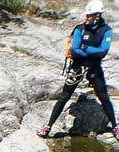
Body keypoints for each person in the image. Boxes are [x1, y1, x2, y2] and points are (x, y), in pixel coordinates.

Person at [38, 1, 119, 140]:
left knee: (104, 96)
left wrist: (85, 48)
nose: (87, 18)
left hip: (94, 68)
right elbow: (74, 49)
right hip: (77, 67)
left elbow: (103, 52)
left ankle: (115, 127)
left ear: (97, 16)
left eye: (90, 16)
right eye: (87, 15)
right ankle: (48, 127)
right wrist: (91, 51)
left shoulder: (106, 30)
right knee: (64, 96)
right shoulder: (79, 29)